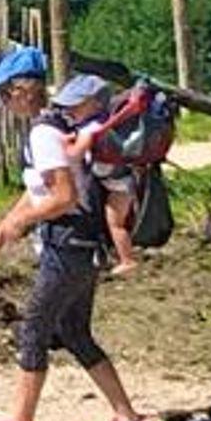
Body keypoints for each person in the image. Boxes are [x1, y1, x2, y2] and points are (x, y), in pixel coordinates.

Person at [0, 48, 152, 421]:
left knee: (33, 331)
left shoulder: (43, 135)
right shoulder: (62, 124)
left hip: (65, 247)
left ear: (22, 91)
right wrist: (4, 227)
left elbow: (63, 197)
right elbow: (38, 189)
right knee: (74, 332)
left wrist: (20, 223)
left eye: (4, 94)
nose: (2, 103)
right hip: (86, 246)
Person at [59, 74, 140, 277]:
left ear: (95, 104)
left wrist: (64, 145)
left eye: (76, 105)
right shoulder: (103, 122)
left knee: (115, 223)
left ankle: (127, 260)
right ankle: (113, 255)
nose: (69, 110)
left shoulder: (90, 128)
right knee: (110, 220)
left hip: (117, 184)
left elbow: (75, 154)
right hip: (118, 179)